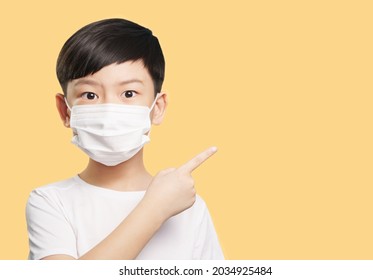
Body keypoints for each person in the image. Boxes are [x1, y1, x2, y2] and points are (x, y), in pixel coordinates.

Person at [25, 18, 224, 260]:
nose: (109, 110)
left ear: (157, 107)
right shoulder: (50, 201)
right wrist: (155, 208)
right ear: (65, 110)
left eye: (129, 93)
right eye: (90, 94)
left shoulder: (189, 208)